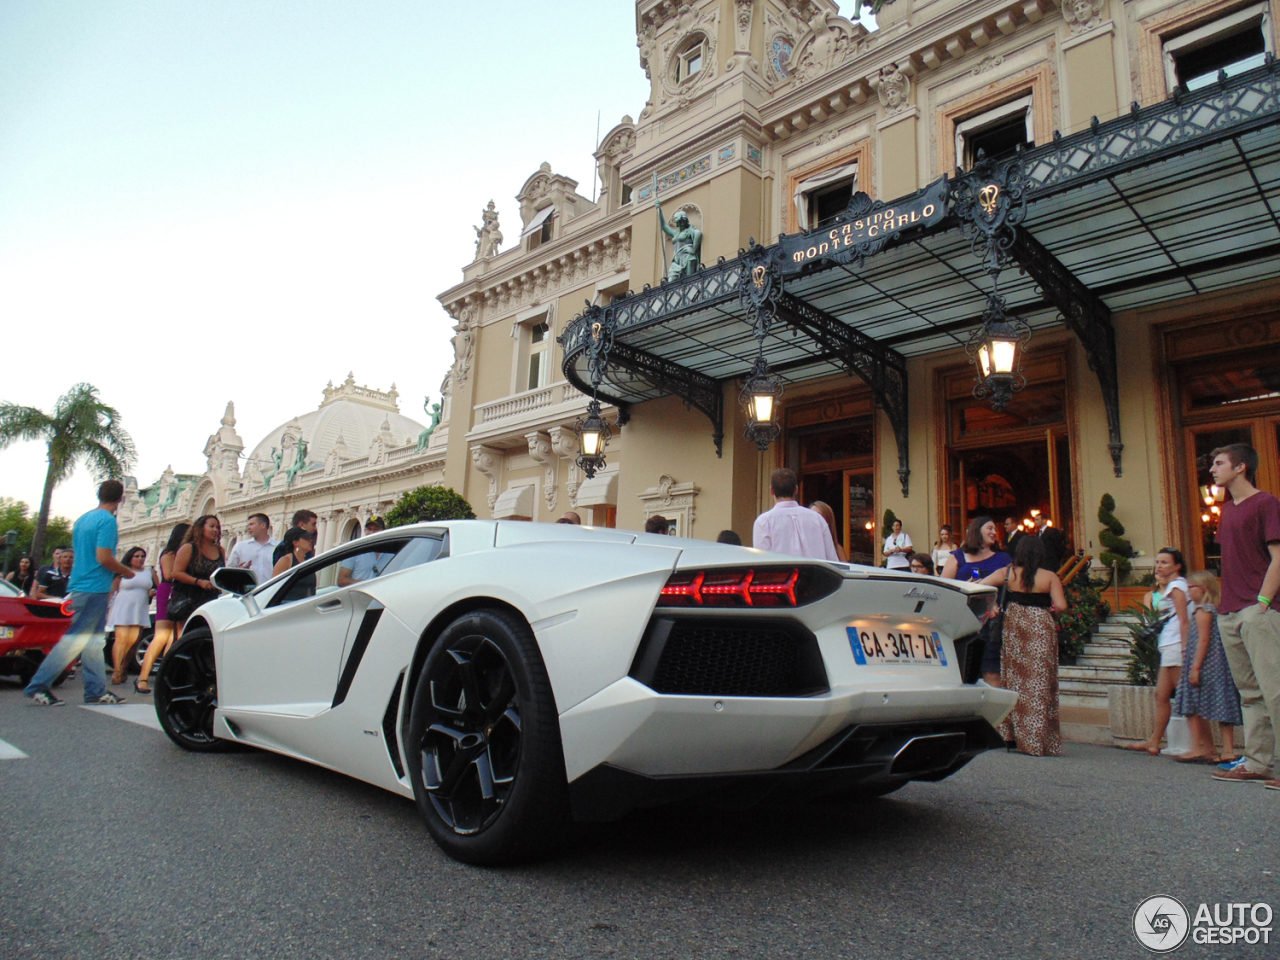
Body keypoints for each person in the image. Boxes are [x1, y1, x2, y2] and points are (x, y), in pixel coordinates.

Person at [1206, 443, 1280, 785]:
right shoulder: (1227, 510)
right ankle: (1257, 762)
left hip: (1257, 610)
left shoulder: (1266, 503)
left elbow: (1278, 556)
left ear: (1241, 468)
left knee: (1275, 688)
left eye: (1219, 463)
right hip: (1230, 611)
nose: (1212, 469)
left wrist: (1262, 603)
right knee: (1250, 694)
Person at [23, 480, 135, 706]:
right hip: (95, 588)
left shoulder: (84, 519)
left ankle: (95, 690)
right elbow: (104, 557)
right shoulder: (108, 521)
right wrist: (126, 572)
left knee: (93, 643)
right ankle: (39, 685)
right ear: (120, 499)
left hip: (80, 585)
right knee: (74, 642)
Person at [998, 537, 1068, 756]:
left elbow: (980, 585)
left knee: (1013, 679)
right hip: (1040, 629)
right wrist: (1051, 613)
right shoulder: (1049, 576)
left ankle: (1009, 735)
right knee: (1039, 681)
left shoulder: (1009, 573)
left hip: (1014, 628)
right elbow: (1062, 606)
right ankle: (1037, 739)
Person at [1125, 548, 1190, 757]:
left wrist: (1185, 647)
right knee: (1161, 695)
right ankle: (1154, 740)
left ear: (1177, 566)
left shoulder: (1178, 586)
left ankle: (1201, 744)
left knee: (1185, 694)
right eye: (1157, 562)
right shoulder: (1171, 587)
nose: (1159, 566)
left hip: (1175, 645)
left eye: (1164, 562)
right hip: (1167, 644)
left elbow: (1184, 619)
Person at [1174, 571, 1241, 765]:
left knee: (1193, 703)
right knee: (1222, 702)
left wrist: (1195, 667)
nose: (1188, 591)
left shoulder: (1203, 610)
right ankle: (1225, 749)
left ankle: (1202, 747)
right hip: (1216, 662)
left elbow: (1204, 640)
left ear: (1204, 589)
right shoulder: (1214, 609)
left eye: (1191, 587)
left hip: (1205, 662)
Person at [942, 516, 1012, 685]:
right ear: (976, 530)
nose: (994, 532)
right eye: (990, 528)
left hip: (992, 624)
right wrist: (965, 586)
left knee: (992, 671)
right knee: (961, 671)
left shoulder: (1003, 558)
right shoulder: (958, 556)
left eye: (995, 529)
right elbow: (944, 586)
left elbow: (1013, 583)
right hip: (963, 623)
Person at [134, 522, 189, 695]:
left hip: (182, 593)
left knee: (176, 638)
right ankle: (143, 677)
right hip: (169, 592)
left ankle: (165, 676)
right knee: (161, 637)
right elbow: (169, 575)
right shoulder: (169, 554)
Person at [752, 469, 839, 561]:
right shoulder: (818, 519)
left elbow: (763, 562)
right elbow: (832, 561)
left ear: (772, 490)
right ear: (796, 490)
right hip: (815, 575)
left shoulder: (763, 522)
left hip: (784, 575)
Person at [168, 515, 225, 639]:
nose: (215, 530)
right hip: (189, 598)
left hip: (210, 599)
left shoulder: (220, 550)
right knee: (185, 637)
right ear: (200, 528)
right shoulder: (189, 548)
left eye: (217, 527)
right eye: (211, 526)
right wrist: (198, 582)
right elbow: (176, 573)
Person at [107, 547, 154, 687]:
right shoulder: (122, 572)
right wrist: (108, 608)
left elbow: (157, 587)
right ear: (130, 558)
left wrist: (153, 592)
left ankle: (124, 666)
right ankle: (116, 670)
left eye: (142, 556)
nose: (140, 559)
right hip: (123, 607)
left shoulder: (149, 572)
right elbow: (112, 592)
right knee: (121, 639)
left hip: (139, 609)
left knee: (133, 641)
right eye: (137, 556)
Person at [338, 517, 394, 585]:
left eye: (376, 529)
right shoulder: (355, 551)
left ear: (384, 530)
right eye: (369, 529)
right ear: (365, 530)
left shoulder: (392, 552)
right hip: (361, 594)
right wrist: (360, 583)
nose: (372, 532)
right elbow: (341, 580)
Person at [226, 512, 278, 585]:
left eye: (251, 524)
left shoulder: (277, 547)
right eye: (248, 525)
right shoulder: (240, 547)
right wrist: (240, 571)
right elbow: (228, 571)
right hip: (247, 592)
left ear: (263, 525)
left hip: (272, 591)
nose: (249, 528)